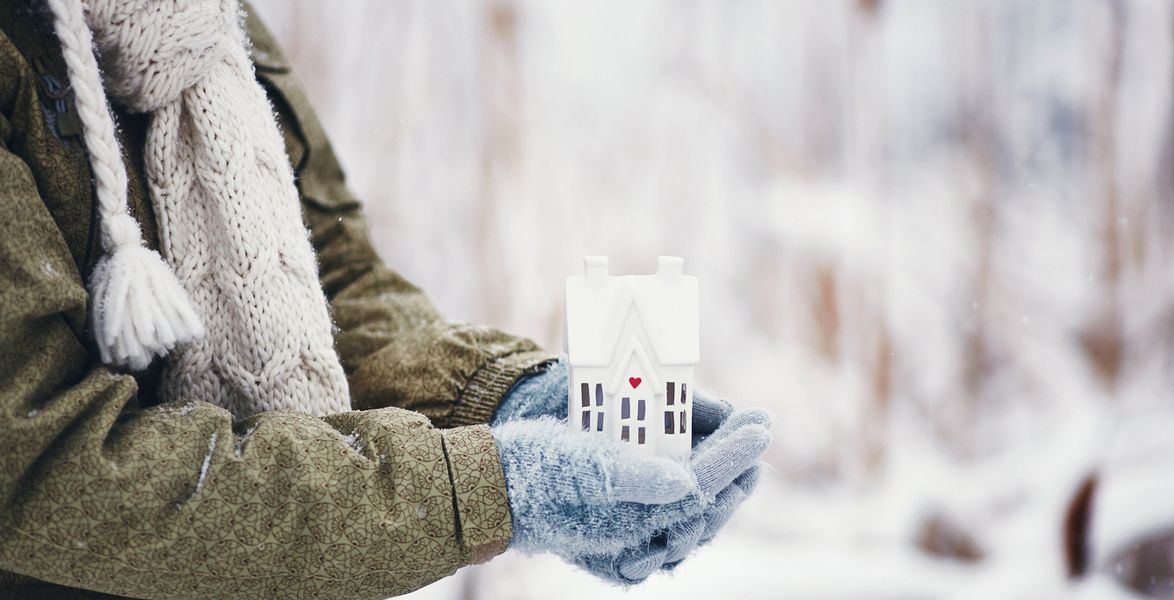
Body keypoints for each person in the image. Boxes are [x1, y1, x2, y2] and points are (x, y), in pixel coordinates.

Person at [0, 1, 772, 598]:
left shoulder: (202, 24)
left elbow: (332, 277)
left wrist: (508, 399)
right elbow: (40, 457)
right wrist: (488, 488)